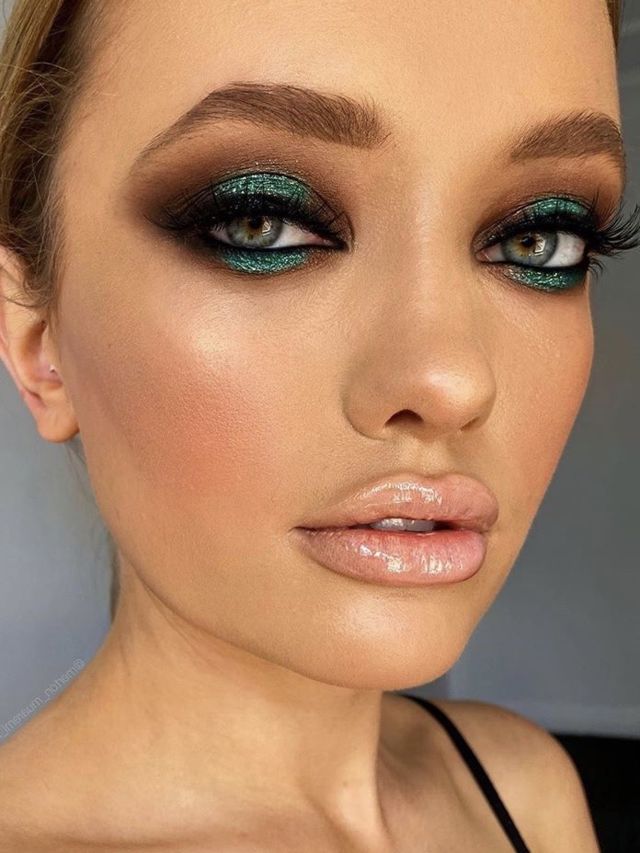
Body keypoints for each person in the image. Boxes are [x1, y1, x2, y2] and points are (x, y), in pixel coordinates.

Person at [0, 0, 638, 850]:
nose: (451, 383)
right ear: (37, 340)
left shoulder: (522, 789)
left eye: (541, 237)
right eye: (262, 222)